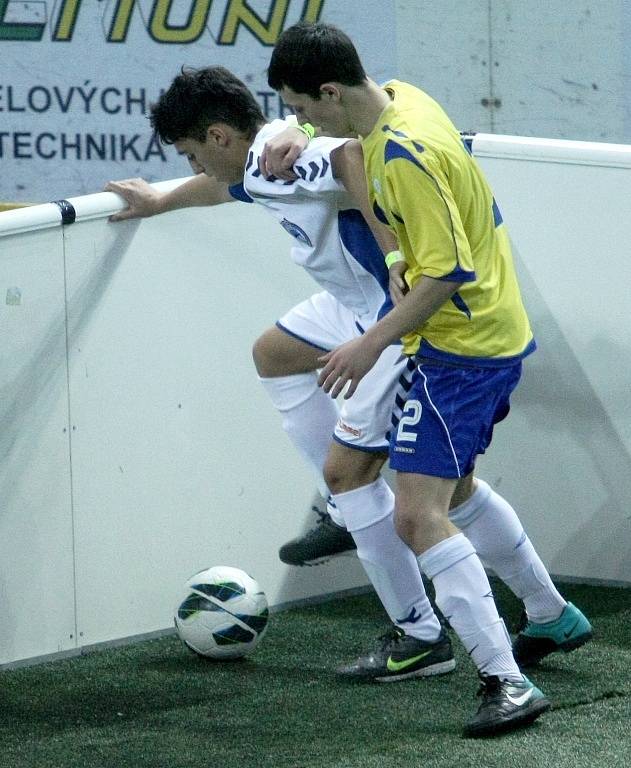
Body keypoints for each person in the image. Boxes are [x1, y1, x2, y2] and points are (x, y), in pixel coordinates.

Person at [265, 22, 593, 736]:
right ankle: (551, 615)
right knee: (453, 489)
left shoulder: (404, 155)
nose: (305, 123)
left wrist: (368, 343)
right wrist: (296, 130)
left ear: (329, 90)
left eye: (304, 106)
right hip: (484, 333)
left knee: (416, 515)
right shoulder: (406, 100)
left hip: (457, 348)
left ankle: (504, 681)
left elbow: (446, 274)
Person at [106, 65, 458, 684]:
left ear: (219, 136)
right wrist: (161, 201)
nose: (193, 169)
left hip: (388, 311)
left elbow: (350, 157)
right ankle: (349, 510)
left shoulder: (282, 157)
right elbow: (224, 189)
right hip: (348, 304)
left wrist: (397, 255)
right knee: (274, 353)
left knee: (359, 477)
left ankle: (421, 633)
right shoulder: (253, 166)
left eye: (192, 155)